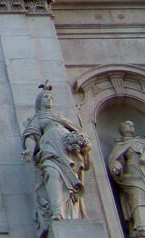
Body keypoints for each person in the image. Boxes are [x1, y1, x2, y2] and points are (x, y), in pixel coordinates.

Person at [21, 84, 92, 235]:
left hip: (66, 153)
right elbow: (32, 135)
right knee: (51, 174)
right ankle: (57, 211)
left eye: (51, 97)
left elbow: (81, 135)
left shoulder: (60, 118)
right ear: (39, 102)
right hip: (49, 150)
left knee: (68, 185)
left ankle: (68, 214)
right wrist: (29, 150)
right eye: (46, 97)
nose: (49, 99)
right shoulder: (38, 118)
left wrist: (81, 143)